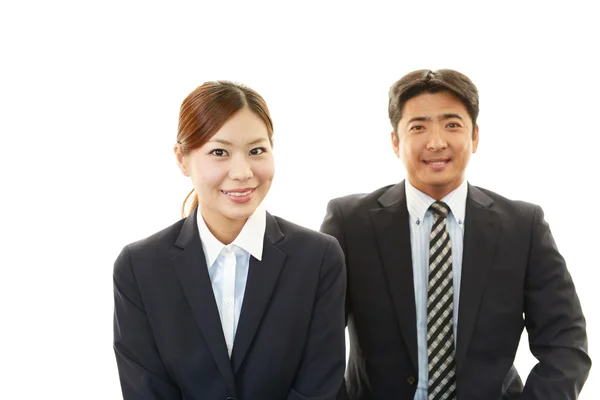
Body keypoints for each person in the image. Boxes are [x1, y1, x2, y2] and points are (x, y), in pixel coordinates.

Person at [321, 69, 591, 399]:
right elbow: (315, 340)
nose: (436, 142)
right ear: (395, 141)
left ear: (475, 136)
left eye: (452, 125)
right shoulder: (350, 223)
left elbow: (566, 341)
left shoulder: (523, 226)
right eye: (418, 126)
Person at [113, 81, 346, 400]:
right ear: (182, 158)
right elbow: (146, 390)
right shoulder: (140, 267)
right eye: (219, 152)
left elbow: (320, 386)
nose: (242, 172)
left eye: (257, 151)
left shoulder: (318, 258)